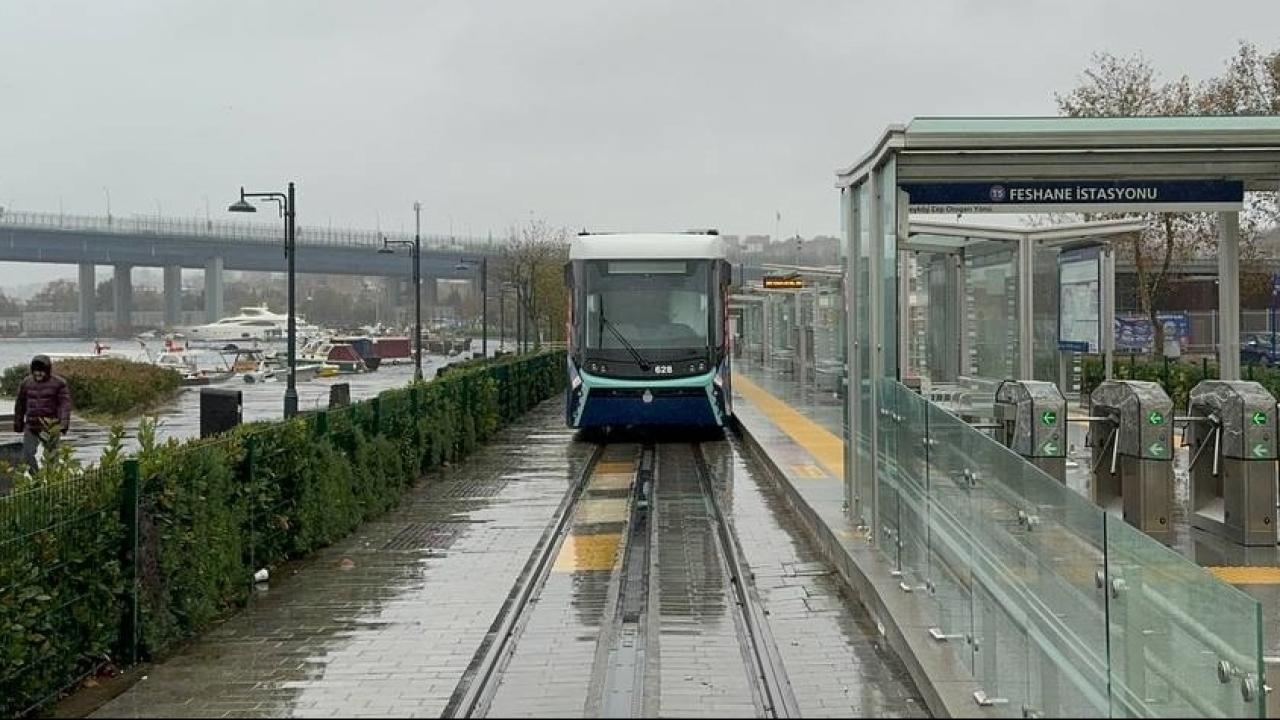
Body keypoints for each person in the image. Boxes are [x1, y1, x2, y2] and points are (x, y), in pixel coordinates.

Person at [13, 354, 71, 476]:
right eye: (36, 371)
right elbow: (20, 404)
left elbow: (64, 405)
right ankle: (37, 481)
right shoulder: (26, 383)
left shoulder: (59, 383)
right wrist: (18, 423)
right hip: (31, 426)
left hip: (50, 427)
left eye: (41, 371)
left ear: (47, 370)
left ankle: (52, 483)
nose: (38, 374)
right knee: (27, 455)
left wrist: (63, 424)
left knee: (52, 457)